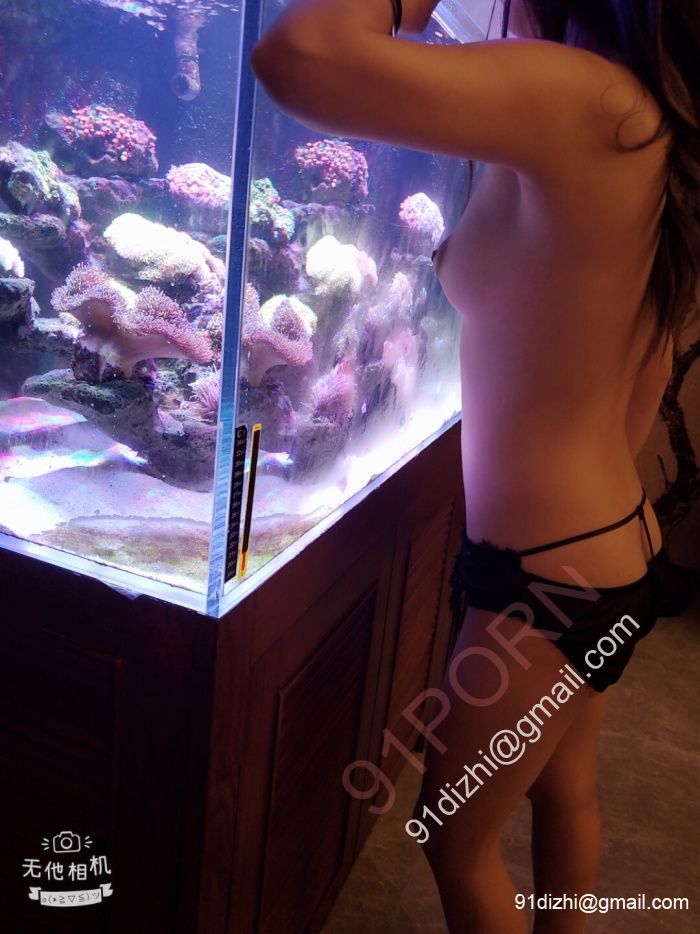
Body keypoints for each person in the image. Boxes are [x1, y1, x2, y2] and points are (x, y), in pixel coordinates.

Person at [251, 2, 699, 930]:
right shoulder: (639, 119)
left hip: (549, 578)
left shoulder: (585, 98)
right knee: (563, 792)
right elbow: (645, 367)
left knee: (453, 839)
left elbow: (298, 54)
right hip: (605, 549)